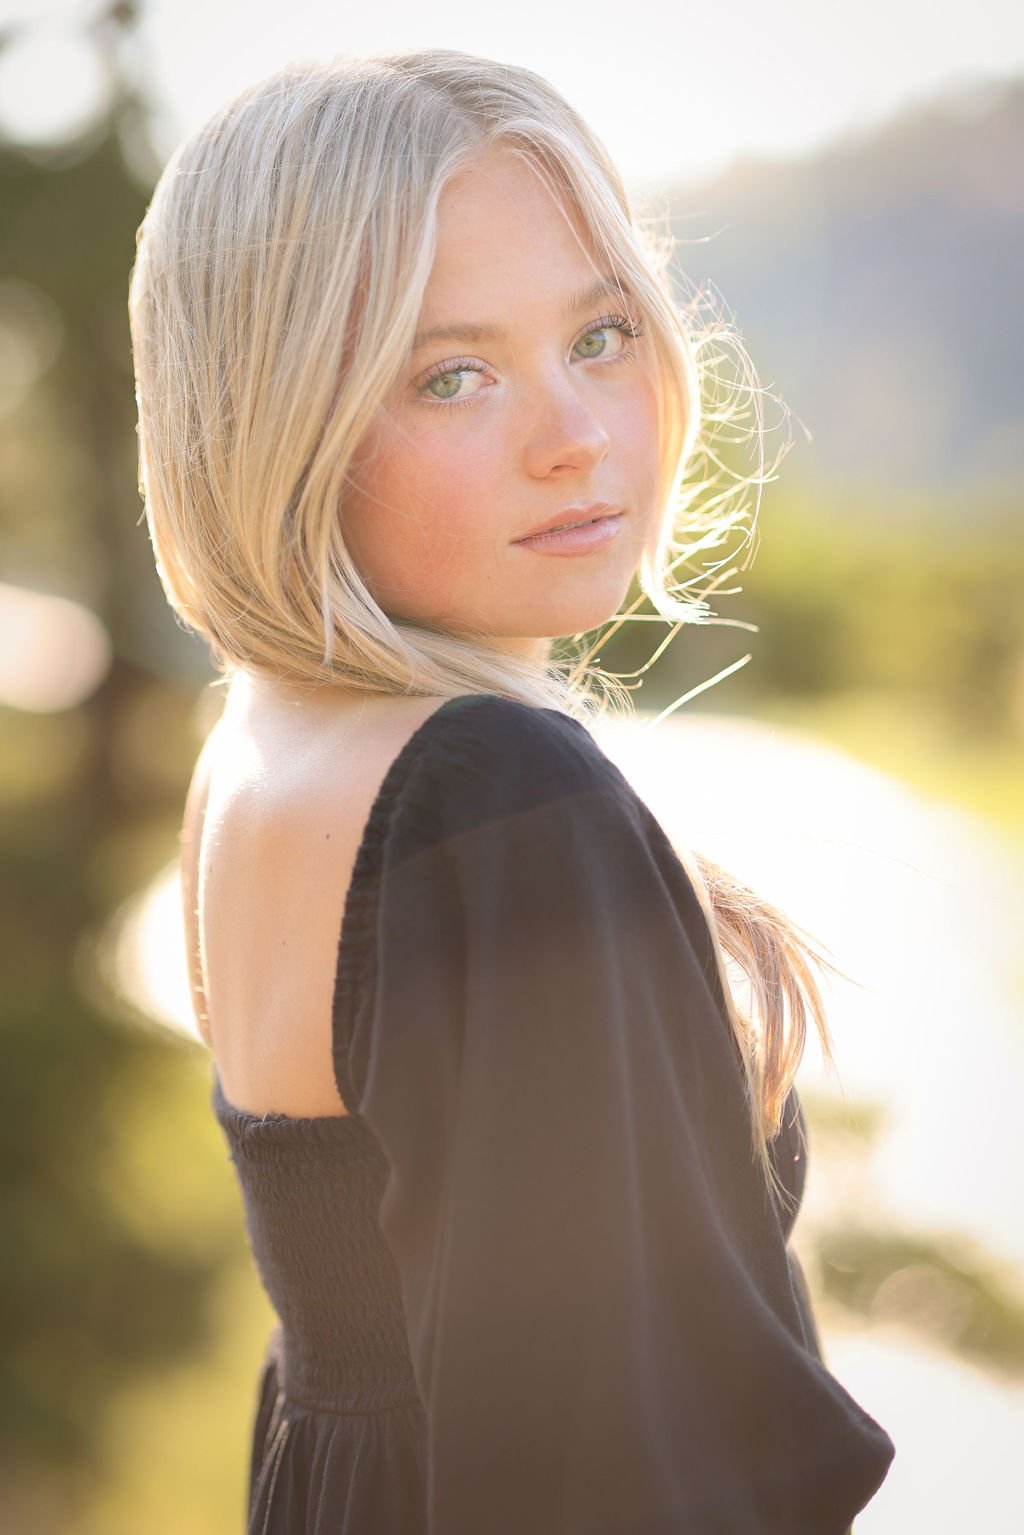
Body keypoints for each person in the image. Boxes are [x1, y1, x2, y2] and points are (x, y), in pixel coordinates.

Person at [128, 47, 895, 1534]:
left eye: (600, 334)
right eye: (453, 374)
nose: (577, 436)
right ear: (289, 417)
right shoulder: (485, 795)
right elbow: (622, 1481)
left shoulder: (266, 748)